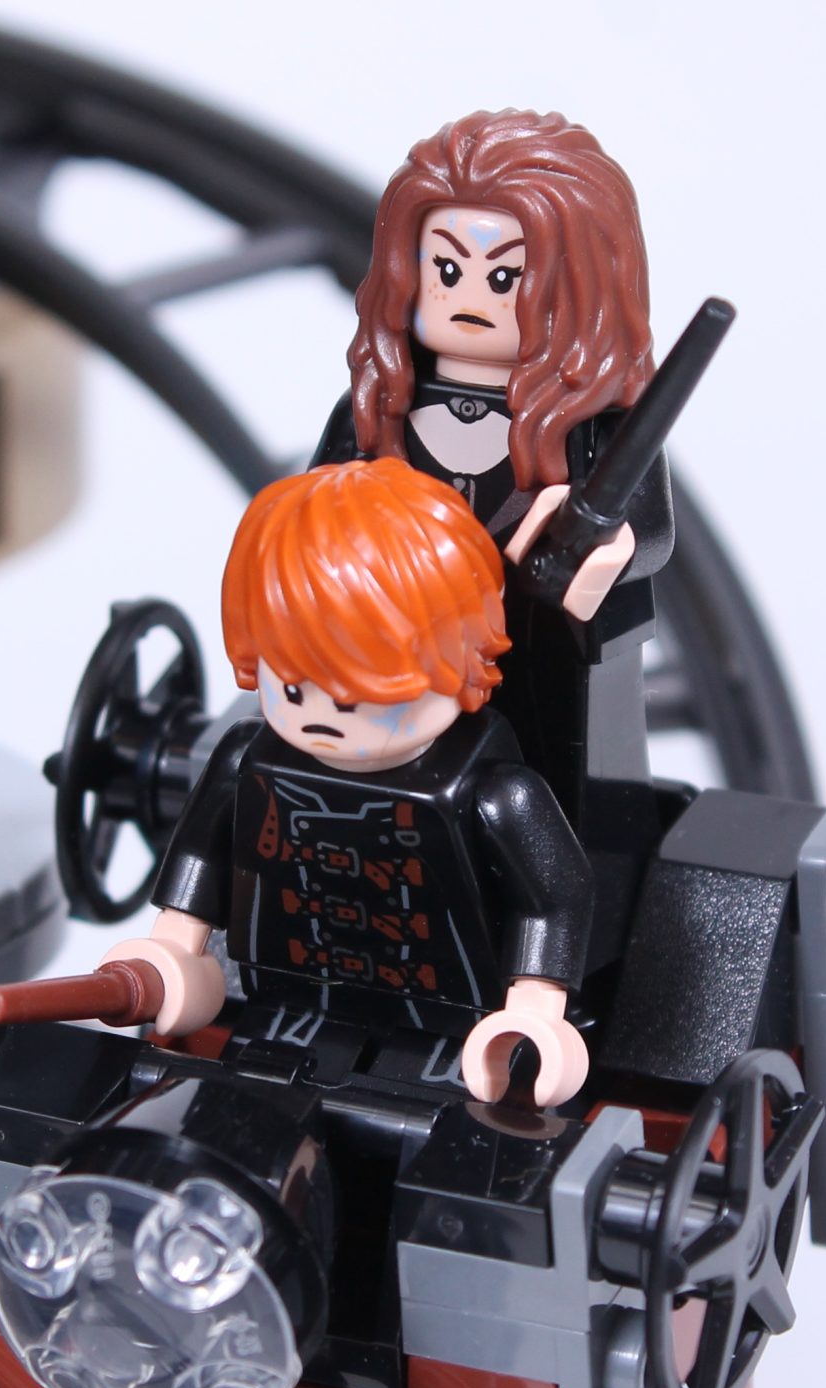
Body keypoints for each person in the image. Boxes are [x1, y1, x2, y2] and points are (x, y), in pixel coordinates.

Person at [103, 457, 593, 1107]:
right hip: (286, 1006)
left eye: (360, 695)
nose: (323, 717)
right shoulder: (245, 758)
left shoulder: (496, 794)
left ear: (460, 661)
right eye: (293, 687)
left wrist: (533, 1009)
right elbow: (201, 855)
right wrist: (174, 951)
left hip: (458, 1031)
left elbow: (553, 899)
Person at [313, 109, 672, 893]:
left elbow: (649, 528)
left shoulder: (594, 434)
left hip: (546, 652)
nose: (470, 295)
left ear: (578, 286)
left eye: (504, 277)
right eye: (446, 269)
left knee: (551, 802)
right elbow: (317, 519)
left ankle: (561, 908)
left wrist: (606, 547)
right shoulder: (377, 411)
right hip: (396, 656)